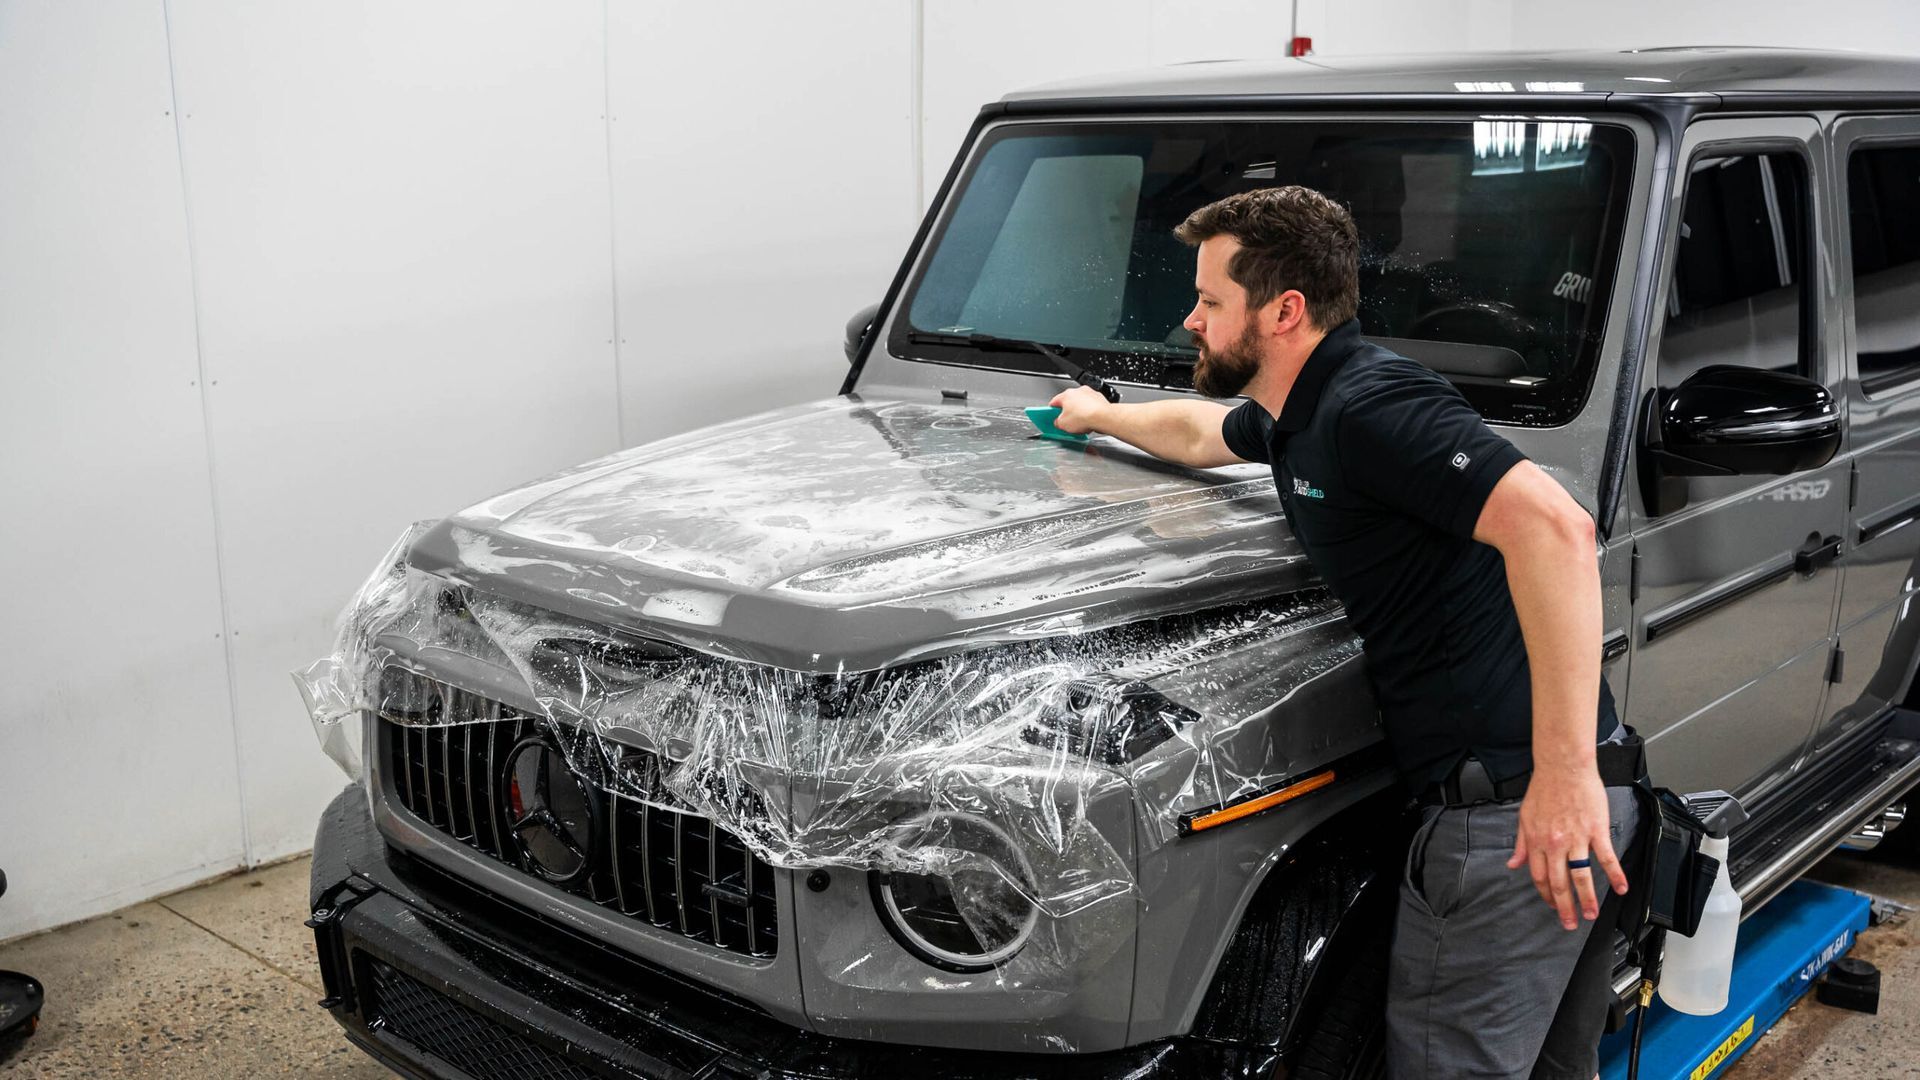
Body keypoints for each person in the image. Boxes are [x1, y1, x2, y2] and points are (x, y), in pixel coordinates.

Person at [1048, 186, 1639, 1079]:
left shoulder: (1369, 406)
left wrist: (1562, 778)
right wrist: (1096, 416)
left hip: (1519, 822)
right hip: (1570, 805)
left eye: (1210, 301)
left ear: (1283, 310)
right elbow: (1202, 430)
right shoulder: (1302, 410)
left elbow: (1558, 529)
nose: (1189, 320)